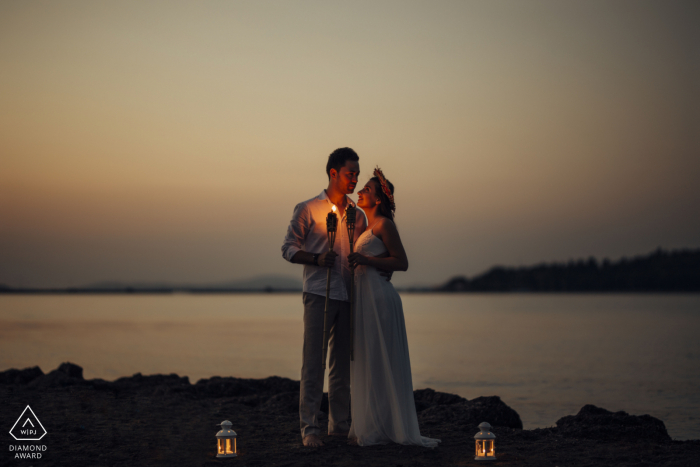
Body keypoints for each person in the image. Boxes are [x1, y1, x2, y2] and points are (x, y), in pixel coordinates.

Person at [281, 148, 369, 447]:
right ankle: (309, 428)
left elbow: (363, 250)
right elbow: (288, 248)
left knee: (342, 363)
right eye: (350, 173)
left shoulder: (357, 215)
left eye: (357, 174)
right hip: (318, 292)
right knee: (313, 361)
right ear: (333, 173)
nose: (355, 179)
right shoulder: (307, 208)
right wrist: (318, 259)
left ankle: (339, 425)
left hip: (348, 294)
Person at [347, 167, 440, 448]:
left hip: (381, 300)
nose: (361, 191)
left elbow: (402, 262)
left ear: (377, 200)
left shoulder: (385, 225)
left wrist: (367, 261)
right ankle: (373, 423)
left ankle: (390, 427)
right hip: (365, 301)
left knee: (382, 358)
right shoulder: (365, 226)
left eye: (366, 189)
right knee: (369, 359)